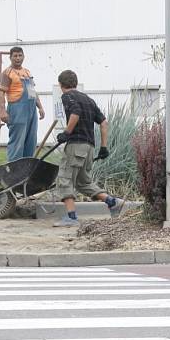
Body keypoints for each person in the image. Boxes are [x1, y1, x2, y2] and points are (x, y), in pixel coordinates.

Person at [53, 69, 124, 228]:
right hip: (90, 147)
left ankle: (71, 218)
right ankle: (112, 202)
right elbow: (104, 123)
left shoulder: (67, 96)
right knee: (83, 182)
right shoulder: (88, 100)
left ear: (60, 84)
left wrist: (66, 132)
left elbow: (75, 113)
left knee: (64, 178)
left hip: (76, 145)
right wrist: (103, 147)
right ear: (75, 83)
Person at [0, 47, 45, 161]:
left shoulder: (27, 72)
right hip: (17, 109)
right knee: (17, 140)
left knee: (31, 139)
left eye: (20, 55)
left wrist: (40, 107)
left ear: (23, 57)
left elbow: (32, 91)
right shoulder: (7, 73)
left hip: (31, 110)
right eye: (15, 56)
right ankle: (13, 169)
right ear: (10, 58)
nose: (18, 58)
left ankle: (26, 167)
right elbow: (1, 93)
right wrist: (2, 111)